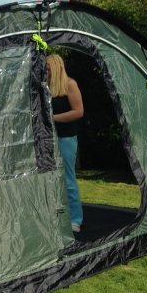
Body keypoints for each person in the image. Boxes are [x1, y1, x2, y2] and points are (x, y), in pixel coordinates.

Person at [46, 54, 84, 233]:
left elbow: (78, 112)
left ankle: (75, 219)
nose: (45, 70)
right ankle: (57, 215)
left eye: (47, 67)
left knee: (68, 179)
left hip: (66, 139)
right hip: (49, 139)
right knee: (52, 179)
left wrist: (52, 119)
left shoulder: (70, 84)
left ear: (56, 66)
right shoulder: (47, 87)